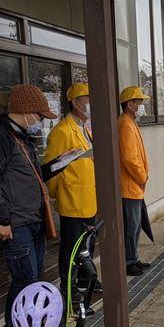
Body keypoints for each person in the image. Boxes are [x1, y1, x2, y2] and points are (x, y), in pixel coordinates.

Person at [0, 84, 59, 327]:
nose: (40, 122)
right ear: (26, 112)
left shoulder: (21, 137)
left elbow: (31, 175)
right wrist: (1, 220)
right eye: (39, 116)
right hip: (16, 222)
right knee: (24, 279)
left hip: (32, 219)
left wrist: (59, 164)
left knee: (33, 278)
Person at [43, 83, 101, 297]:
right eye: (87, 99)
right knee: (71, 247)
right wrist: (58, 194)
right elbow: (52, 169)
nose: (91, 103)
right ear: (75, 102)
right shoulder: (62, 131)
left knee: (87, 244)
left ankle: (86, 280)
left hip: (88, 198)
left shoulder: (84, 128)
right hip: (72, 199)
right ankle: (69, 286)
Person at [118, 86, 152, 276]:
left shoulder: (129, 123)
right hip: (130, 185)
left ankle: (133, 258)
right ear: (130, 104)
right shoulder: (125, 124)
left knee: (135, 225)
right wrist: (142, 177)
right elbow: (130, 158)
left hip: (134, 185)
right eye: (139, 102)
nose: (141, 106)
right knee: (131, 227)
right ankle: (128, 261)